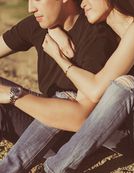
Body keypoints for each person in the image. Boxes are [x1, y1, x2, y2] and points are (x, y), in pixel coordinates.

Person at [1, 0, 134, 172]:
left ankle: (57, 168)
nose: (82, 3)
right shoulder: (106, 28)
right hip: (121, 132)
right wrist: (53, 29)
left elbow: (96, 91)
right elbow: (65, 12)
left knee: (124, 87)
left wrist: (59, 58)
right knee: (66, 99)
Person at [0, 0, 117, 171]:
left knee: (64, 97)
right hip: (42, 125)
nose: (30, 8)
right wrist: (52, 29)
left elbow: (81, 117)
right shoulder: (39, 23)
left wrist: (14, 94)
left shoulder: (96, 35)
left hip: (76, 139)